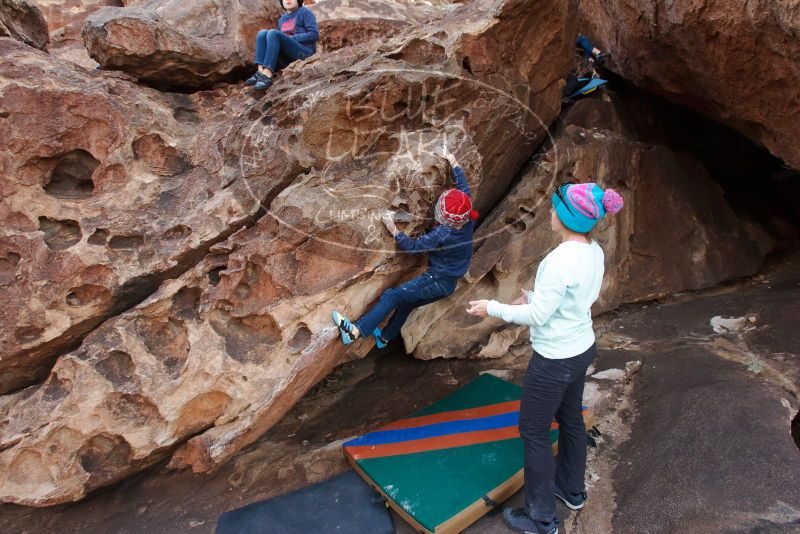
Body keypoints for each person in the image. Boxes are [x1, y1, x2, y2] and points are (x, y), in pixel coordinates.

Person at [466, 181, 624, 534]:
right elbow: (574, 299)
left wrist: (493, 307)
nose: (550, 213)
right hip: (582, 347)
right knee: (570, 420)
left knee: (533, 431)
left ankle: (541, 520)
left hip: (554, 359)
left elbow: (538, 318)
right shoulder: (593, 251)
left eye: (555, 208)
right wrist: (536, 298)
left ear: (566, 217)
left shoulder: (557, 261)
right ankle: (571, 491)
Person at [332, 146, 478, 349]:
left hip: (436, 280)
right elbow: (463, 184)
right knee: (406, 304)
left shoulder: (442, 234)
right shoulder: (466, 213)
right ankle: (384, 338)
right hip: (447, 284)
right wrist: (450, 158)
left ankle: (355, 332)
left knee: (393, 296)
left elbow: (413, 247)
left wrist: (392, 227)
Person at [246, 0, 319, 90]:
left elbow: (314, 34)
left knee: (274, 33)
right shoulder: (282, 19)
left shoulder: (304, 12)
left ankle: (267, 74)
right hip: (288, 58)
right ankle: (260, 71)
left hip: (304, 53)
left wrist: (292, 38)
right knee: (262, 33)